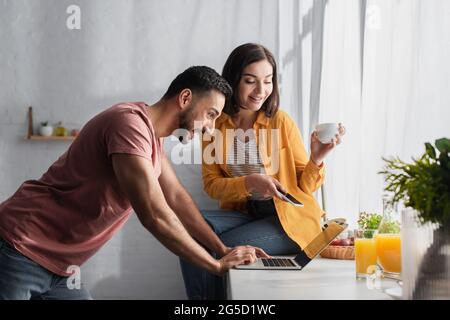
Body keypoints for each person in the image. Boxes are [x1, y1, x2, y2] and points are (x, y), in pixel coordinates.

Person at [0, 66, 269, 300]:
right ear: (185, 98)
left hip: (58, 268)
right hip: (18, 249)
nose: (211, 128)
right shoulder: (128, 124)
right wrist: (215, 265)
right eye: (210, 114)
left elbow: (175, 197)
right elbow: (153, 214)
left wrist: (222, 249)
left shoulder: (152, 138)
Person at [180, 44, 346, 299]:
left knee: (217, 248)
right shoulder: (214, 123)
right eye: (250, 81)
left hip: (288, 220)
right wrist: (250, 183)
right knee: (188, 228)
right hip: (245, 213)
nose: (261, 91)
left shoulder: (280, 121)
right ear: (233, 80)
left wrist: (317, 158)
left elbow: (305, 187)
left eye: (267, 81)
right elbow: (211, 184)